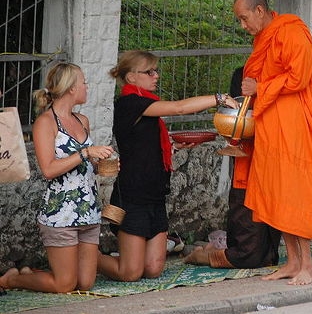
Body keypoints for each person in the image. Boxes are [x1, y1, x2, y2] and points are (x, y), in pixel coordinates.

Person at [98, 50, 238, 282]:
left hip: (155, 195)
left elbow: (143, 144)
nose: (156, 76)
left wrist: (173, 146)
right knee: (130, 273)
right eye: (149, 71)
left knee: (152, 269)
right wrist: (219, 99)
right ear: (131, 77)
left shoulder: (148, 105)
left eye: (156, 71)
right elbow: (179, 108)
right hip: (133, 196)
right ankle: (87, 256)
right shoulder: (129, 103)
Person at [233, 0, 312, 285]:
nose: (243, 26)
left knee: (293, 193)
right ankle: (292, 261)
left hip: (295, 125)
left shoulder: (292, 31)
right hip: (271, 125)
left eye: (244, 18)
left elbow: (298, 76)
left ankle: (308, 266)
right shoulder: (263, 38)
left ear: (260, 10)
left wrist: (260, 88)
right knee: (275, 193)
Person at [0, 62, 115, 293]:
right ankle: (12, 280)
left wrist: (101, 164)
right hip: (60, 213)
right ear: (71, 88)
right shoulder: (45, 123)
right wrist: (85, 153)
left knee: (85, 283)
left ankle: (31, 274)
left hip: (88, 209)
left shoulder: (82, 120)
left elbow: (84, 164)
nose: (86, 86)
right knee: (65, 285)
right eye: (83, 82)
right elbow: (49, 170)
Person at [184, 66, 282, 269]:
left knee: (268, 251)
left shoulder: (280, 76)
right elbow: (237, 117)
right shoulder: (246, 73)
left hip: (274, 159)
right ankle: (204, 256)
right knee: (248, 250)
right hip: (248, 159)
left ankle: (214, 250)